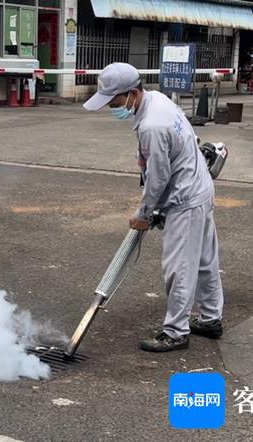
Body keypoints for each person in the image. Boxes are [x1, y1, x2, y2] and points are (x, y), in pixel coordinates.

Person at [83, 63, 224, 352]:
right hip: (199, 187)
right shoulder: (158, 99)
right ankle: (211, 319)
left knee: (180, 267)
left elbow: (158, 180)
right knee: (205, 261)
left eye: (115, 101)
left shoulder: (152, 126)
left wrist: (144, 214)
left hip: (185, 198)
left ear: (132, 93)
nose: (112, 106)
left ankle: (175, 332)